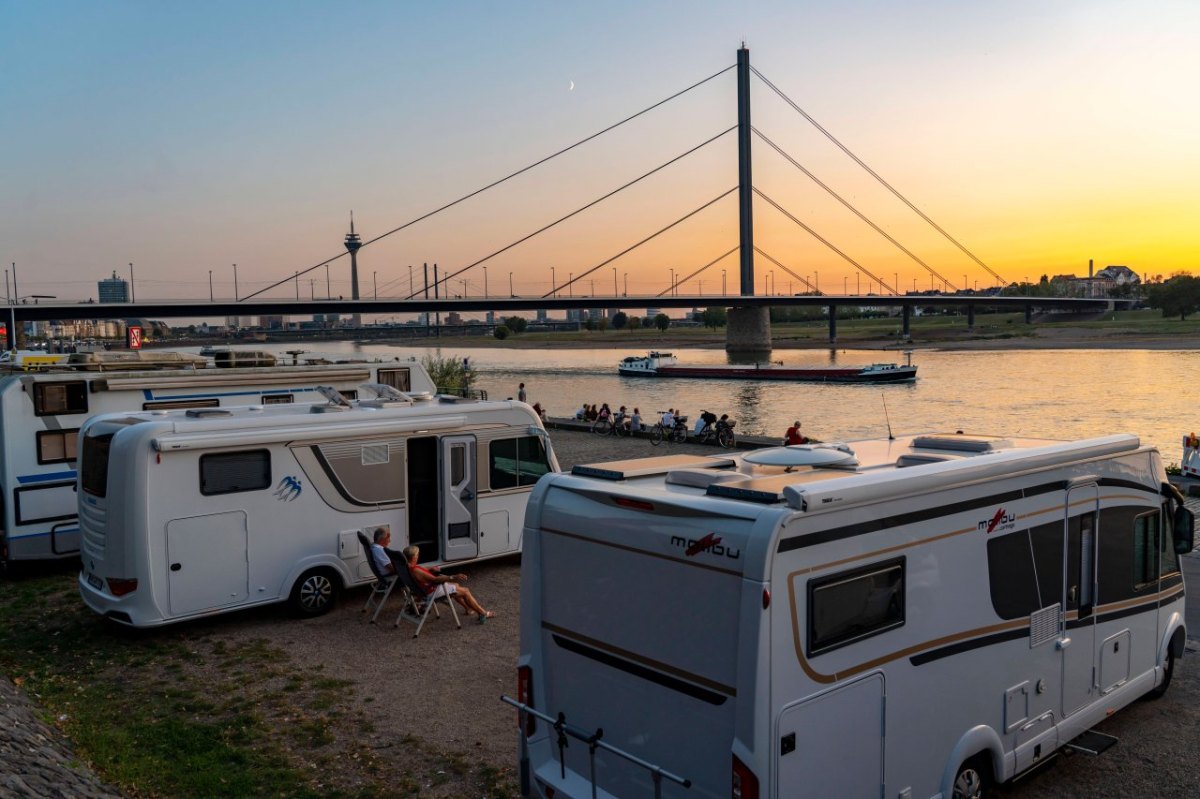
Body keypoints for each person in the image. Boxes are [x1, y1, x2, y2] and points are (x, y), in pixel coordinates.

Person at [402, 544, 495, 621]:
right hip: (432, 591)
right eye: (417, 554)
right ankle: (483, 613)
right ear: (414, 557)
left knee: (456, 586)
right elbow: (435, 580)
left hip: (425, 590)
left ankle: (468, 608)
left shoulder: (408, 567)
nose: (418, 556)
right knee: (465, 591)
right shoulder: (416, 571)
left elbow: (421, 570)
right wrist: (452, 577)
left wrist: (430, 568)